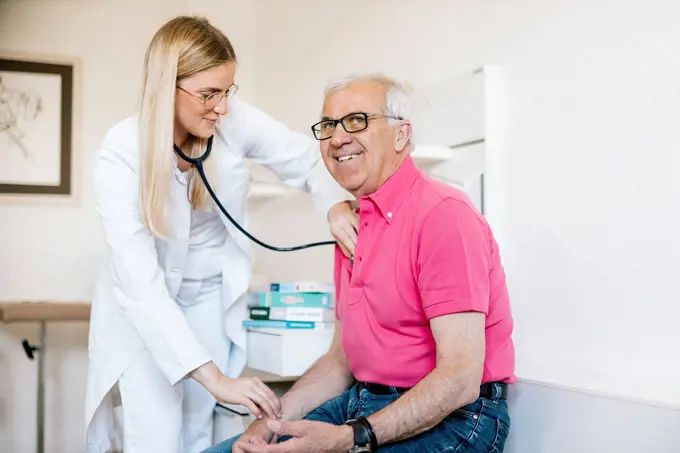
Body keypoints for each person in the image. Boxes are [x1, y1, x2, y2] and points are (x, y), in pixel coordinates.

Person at [84, 16, 358, 453]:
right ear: (166, 87)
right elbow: (141, 286)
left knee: (198, 428)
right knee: (153, 432)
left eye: (227, 91)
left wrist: (334, 205)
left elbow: (308, 160)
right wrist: (215, 378)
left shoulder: (233, 121)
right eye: (208, 94)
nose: (222, 108)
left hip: (209, 294)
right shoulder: (120, 154)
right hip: (145, 311)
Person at [203, 72, 516, 453]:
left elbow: (460, 377)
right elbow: (340, 362)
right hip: (364, 402)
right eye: (329, 125)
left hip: (458, 419)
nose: (337, 138)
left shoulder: (443, 215)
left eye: (357, 121)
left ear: (402, 135)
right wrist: (270, 422)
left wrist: (351, 436)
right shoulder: (352, 226)